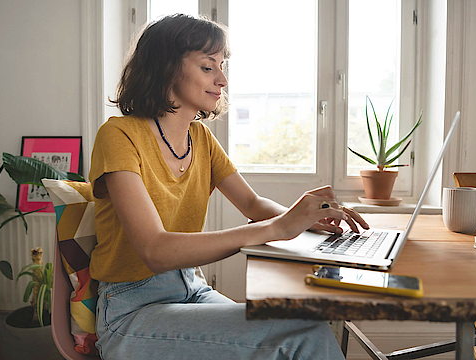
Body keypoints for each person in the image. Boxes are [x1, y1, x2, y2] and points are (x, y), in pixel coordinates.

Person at [89, 13, 369, 360]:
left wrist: (302, 218)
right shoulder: (118, 135)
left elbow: (252, 204)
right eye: (208, 67)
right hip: (132, 310)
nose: (222, 79)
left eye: (223, 66)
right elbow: (155, 250)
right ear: (165, 68)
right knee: (303, 333)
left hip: (191, 289)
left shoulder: (200, 138)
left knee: (302, 325)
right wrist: (277, 228)